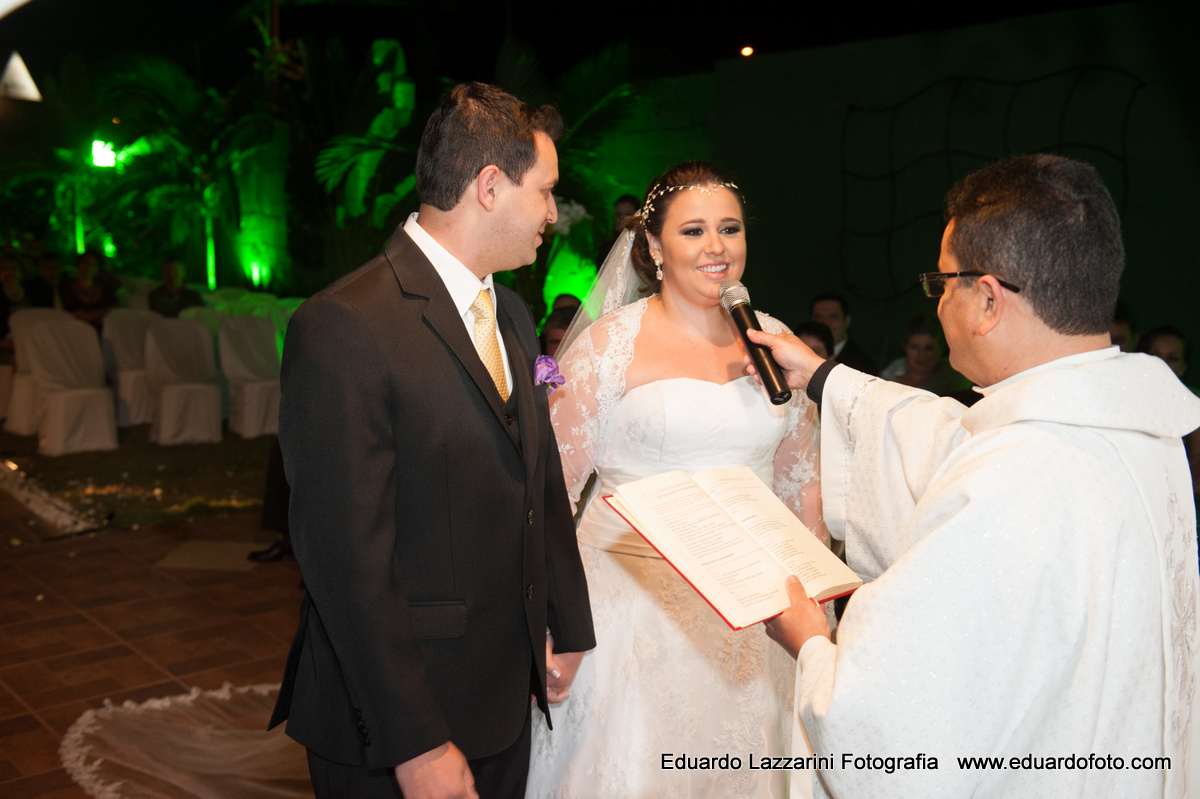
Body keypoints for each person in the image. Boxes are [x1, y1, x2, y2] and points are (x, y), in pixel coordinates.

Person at [748, 154, 1200, 797]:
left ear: (987, 299)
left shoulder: (1015, 475)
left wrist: (814, 644)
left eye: (941, 284)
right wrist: (824, 377)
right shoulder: (1133, 427)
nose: (936, 307)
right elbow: (950, 438)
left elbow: (892, 731)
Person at [269, 82, 596, 799]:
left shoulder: (508, 309)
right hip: (393, 723)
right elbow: (345, 558)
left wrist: (564, 619)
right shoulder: (344, 325)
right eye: (544, 192)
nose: (552, 214)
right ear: (488, 187)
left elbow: (535, 480)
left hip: (502, 700)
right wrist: (414, 741)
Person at [527, 161, 828, 797]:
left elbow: (802, 479)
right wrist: (555, 620)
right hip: (628, 609)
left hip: (753, 614)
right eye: (694, 231)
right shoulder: (609, 347)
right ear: (655, 247)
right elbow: (548, 493)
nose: (717, 247)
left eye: (730, 229)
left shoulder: (773, 343)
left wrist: (818, 601)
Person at [877, 312, 969, 396]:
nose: (921, 355)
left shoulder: (956, 378)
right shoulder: (890, 374)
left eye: (929, 348)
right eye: (914, 347)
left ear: (942, 348)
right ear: (905, 347)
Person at [809, 291, 877, 375]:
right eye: (819, 317)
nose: (825, 323)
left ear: (847, 321)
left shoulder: (862, 365)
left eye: (833, 317)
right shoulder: (801, 353)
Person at [61, 250, 117, 330]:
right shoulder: (68, 288)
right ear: (78, 264)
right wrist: (102, 313)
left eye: (93, 264)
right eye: (86, 263)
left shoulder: (104, 286)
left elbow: (115, 308)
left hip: (105, 330)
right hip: (78, 330)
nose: (89, 267)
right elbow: (75, 315)